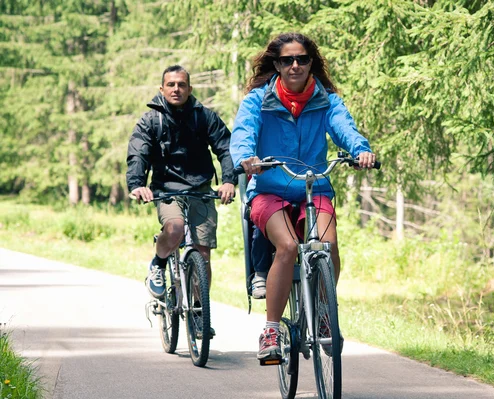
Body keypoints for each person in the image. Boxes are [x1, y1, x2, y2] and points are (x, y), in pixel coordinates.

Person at [230, 33, 377, 361]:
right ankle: (270, 329)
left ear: (312, 62)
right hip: (269, 189)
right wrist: (246, 158)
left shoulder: (327, 101)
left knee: (329, 245)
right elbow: (243, 132)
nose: (295, 65)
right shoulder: (258, 100)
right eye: (287, 60)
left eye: (302, 59)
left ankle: (324, 314)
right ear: (277, 64)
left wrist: (360, 150)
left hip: (314, 186)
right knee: (287, 247)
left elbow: (344, 128)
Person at [127, 65, 236, 334]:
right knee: (174, 229)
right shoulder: (151, 120)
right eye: (171, 84)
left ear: (189, 89)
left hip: (200, 188)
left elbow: (225, 148)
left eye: (182, 85)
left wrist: (229, 180)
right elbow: (138, 152)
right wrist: (137, 184)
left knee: (203, 254)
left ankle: (199, 311)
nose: (176, 89)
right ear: (162, 89)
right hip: (166, 189)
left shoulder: (205, 117)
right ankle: (159, 263)